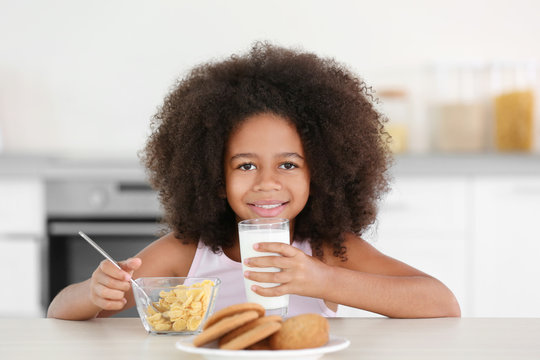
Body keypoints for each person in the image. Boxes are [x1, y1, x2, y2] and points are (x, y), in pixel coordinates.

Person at [47, 42, 461, 320]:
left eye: (288, 165)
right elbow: (59, 314)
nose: (266, 183)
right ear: (212, 173)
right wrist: (92, 292)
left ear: (322, 171)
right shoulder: (188, 252)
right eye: (245, 166)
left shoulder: (324, 250)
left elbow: (442, 304)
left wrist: (323, 280)